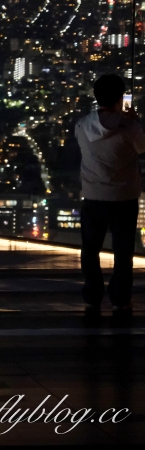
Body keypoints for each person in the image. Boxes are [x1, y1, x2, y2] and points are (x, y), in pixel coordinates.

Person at [74, 74, 145, 312]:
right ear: (119, 98)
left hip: (93, 195)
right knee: (123, 251)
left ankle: (92, 295)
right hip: (125, 196)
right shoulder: (130, 127)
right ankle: (120, 297)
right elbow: (143, 147)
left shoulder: (83, 125)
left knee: (90, 248)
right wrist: (133, 119)